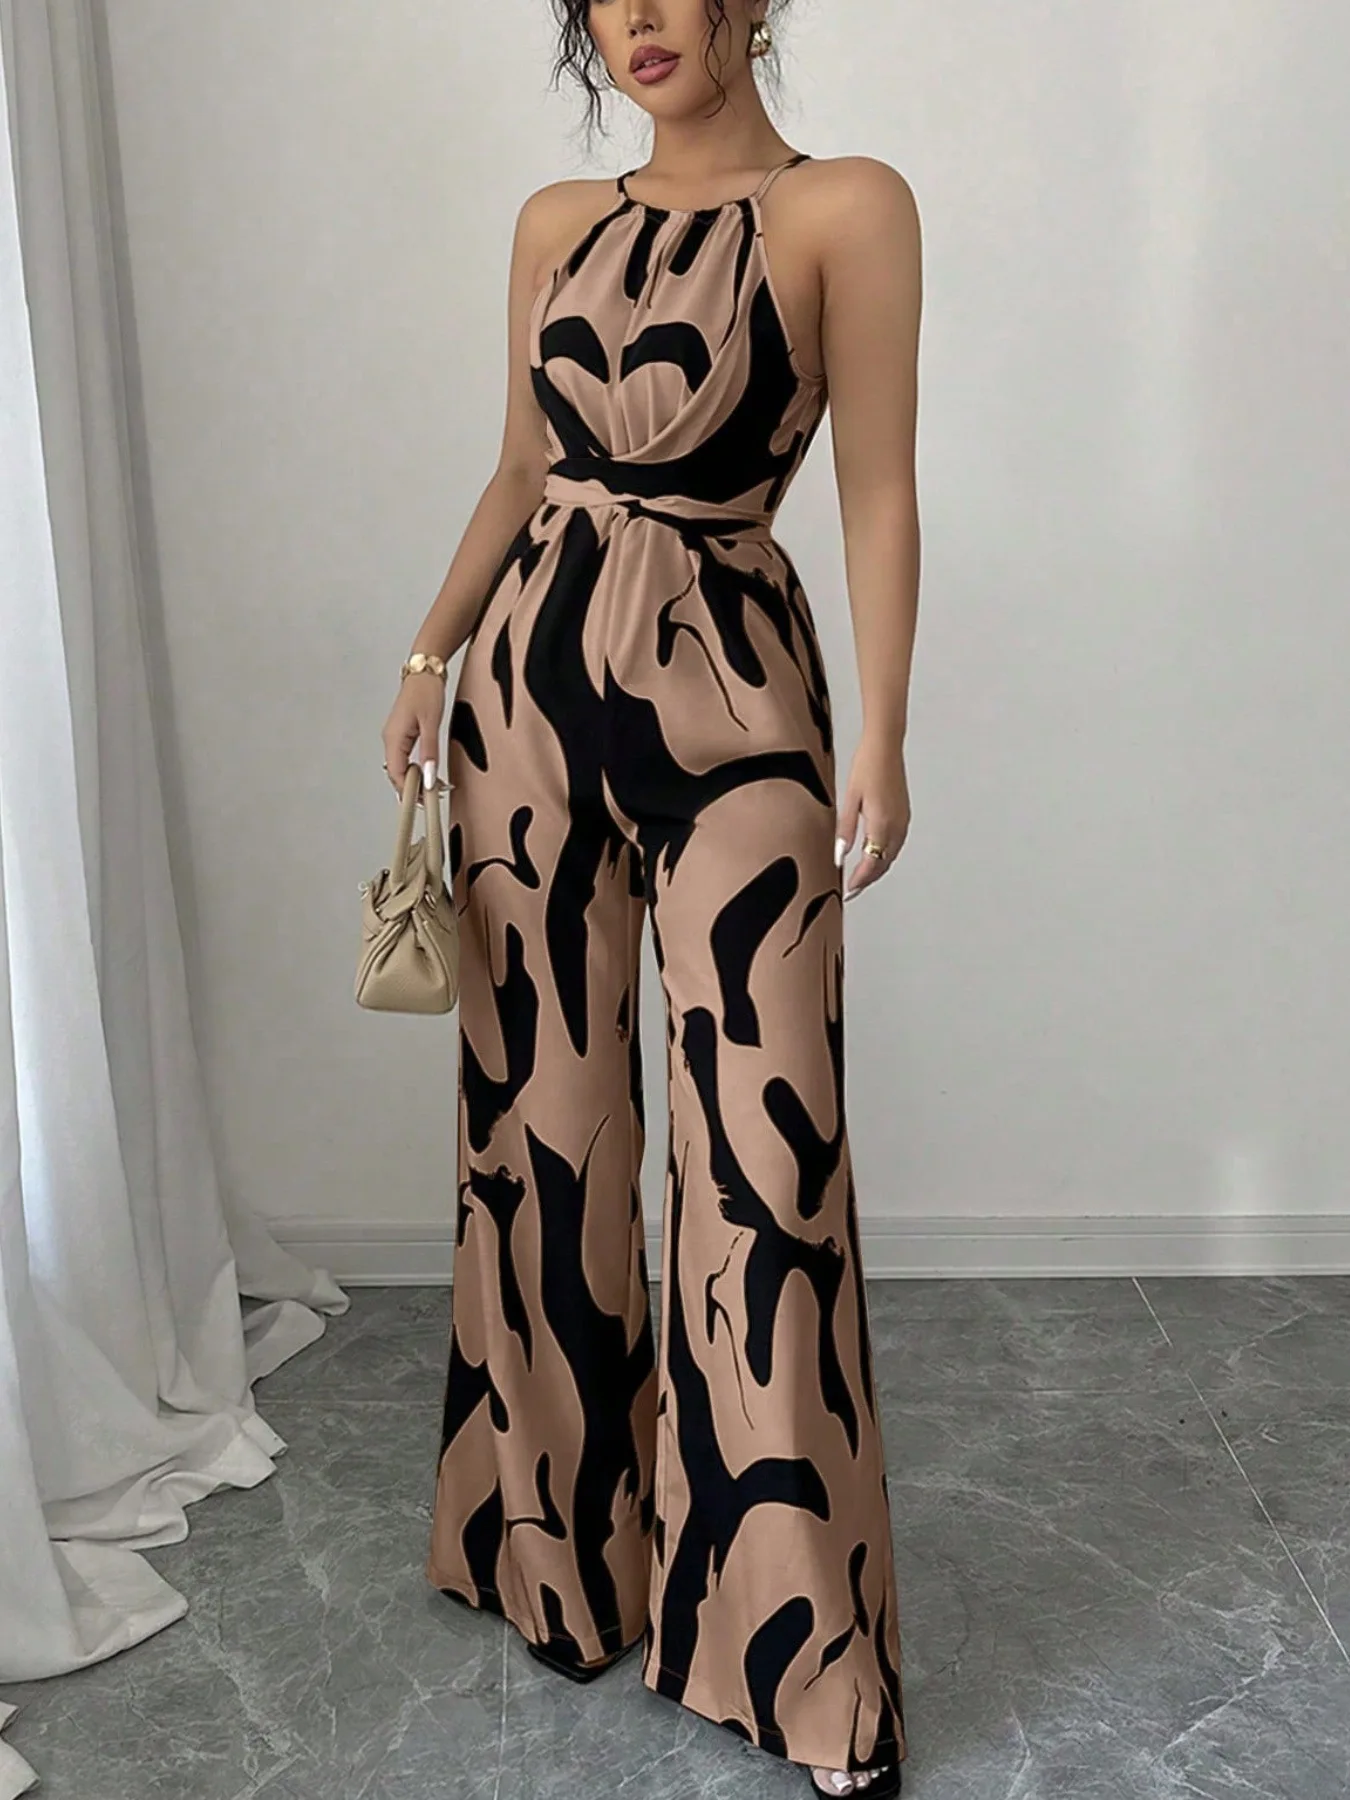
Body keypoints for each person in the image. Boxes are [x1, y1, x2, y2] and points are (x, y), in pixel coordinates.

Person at [383, 4, 921, 1793]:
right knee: (538, 1133)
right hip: (522, 699)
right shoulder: (557, 220)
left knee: (765, 1162)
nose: (639, 18)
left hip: (732, 693)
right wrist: (427, 655)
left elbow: (877, 486)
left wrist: (884, 733)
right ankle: (552, 1560)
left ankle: (798, 1658)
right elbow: (522, 464)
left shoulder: (844, 205)